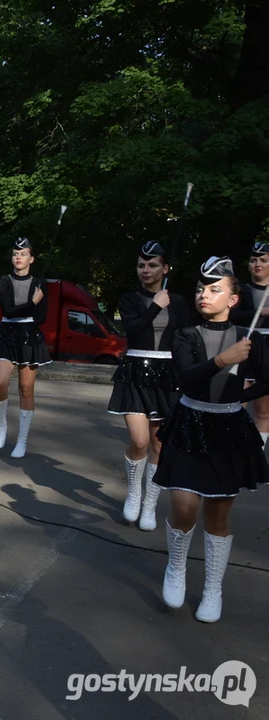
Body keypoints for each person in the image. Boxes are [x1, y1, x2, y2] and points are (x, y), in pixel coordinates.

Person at [153, 256, 269, 623]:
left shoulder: (249, 339)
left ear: (233, 299)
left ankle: (213, 588)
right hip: (189, 423)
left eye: (215, 289)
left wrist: (237, 396)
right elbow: (187, 376)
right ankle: (176, 567)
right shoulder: (186, 334)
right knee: (185, 508)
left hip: (228, 429)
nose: (205, 294)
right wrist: (224, 361)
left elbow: (268, 379)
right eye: (202, 289)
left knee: (218, 514)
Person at [107, 241, 188, 530]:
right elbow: (132, 330)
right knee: (139, 441)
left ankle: (150, 505)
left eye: (153, 265)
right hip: (135, 372)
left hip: (167, 376)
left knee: (158, 444)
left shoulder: (177, 302)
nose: (146, 270)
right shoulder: (129, 299)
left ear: (165, 269)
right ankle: (134, 492)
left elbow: (181, 341)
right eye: (142, 265)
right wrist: (155, 306)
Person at [0, 237, 50, 458]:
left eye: (23, 254)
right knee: (0, 381)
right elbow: (8, 309)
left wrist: (26, 310)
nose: (18, 257)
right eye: (15, 254)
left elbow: (41, 318)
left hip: (29, 335)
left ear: (31, 258)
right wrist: (31, 304)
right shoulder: (3, 280)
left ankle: (22, 440)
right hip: (6, 333)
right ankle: (2, 425)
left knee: (26, 388)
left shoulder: (40, 284)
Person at [229, 240, 269, 445]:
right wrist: (260, 312)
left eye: (263, 260)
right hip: (245, 346)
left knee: (263, 412)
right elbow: (232, 316)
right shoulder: (241, 290)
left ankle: (256, 459)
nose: (258, 264)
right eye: (253, 260)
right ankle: (233, 454)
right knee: (237, 403)